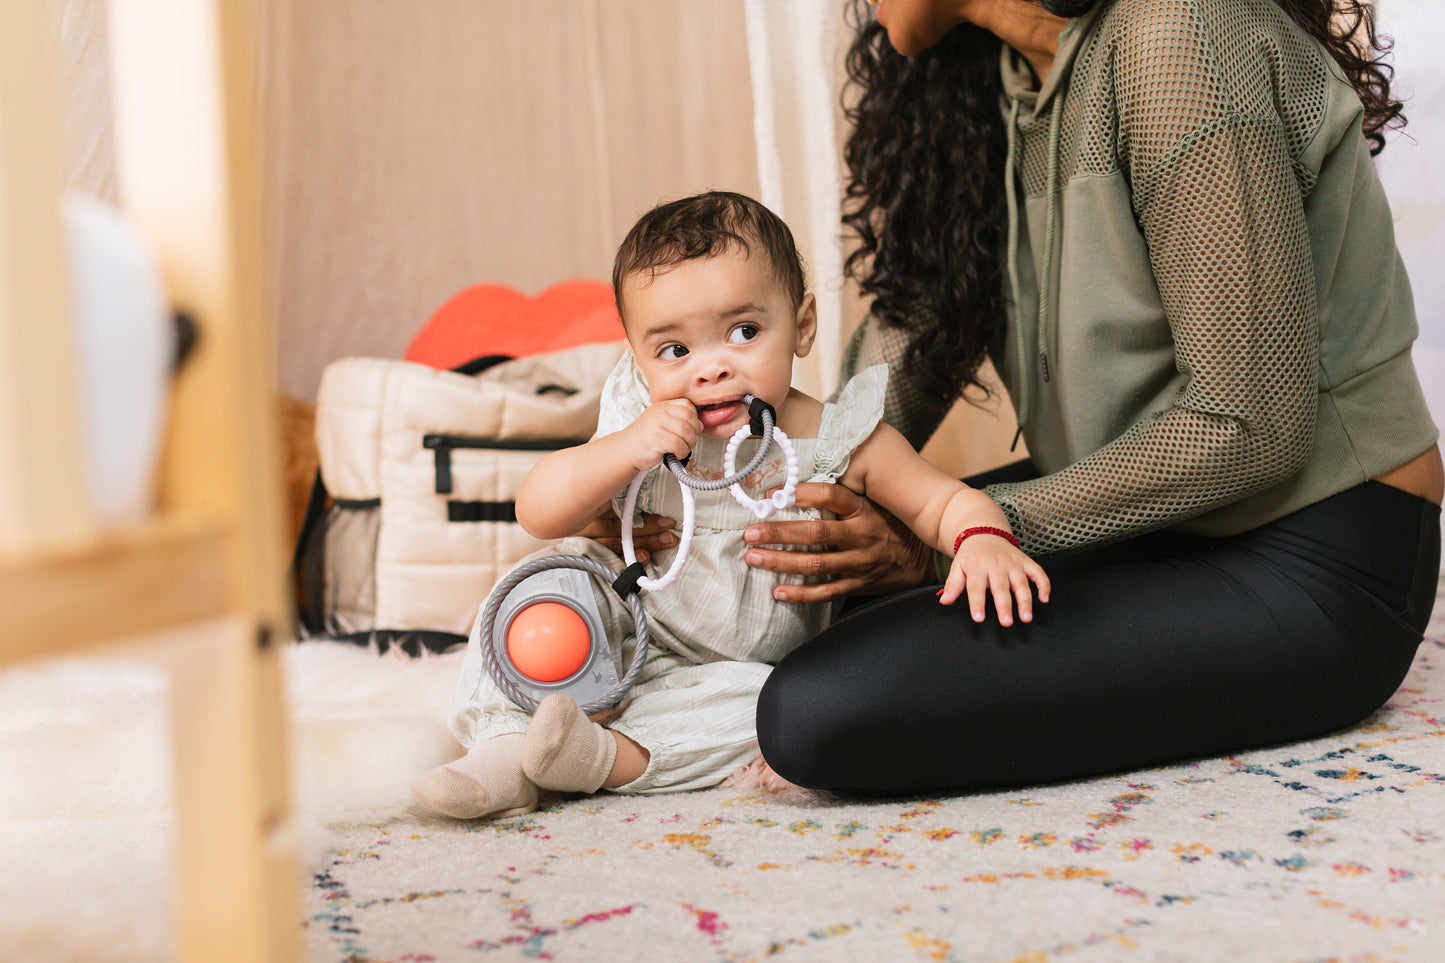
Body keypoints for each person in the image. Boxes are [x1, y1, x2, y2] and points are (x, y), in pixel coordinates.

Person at [718, 0, 1443, 795]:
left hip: (1315, 557)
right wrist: (710, 494)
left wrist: (958, 534)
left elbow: (1250, 424)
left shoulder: (1176, 33)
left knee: (815, 708)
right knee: (801, 602)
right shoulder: (975, 89)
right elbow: (868, 421)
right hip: (1140, 523)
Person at [410, 190, 1048, 820]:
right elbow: (536, 511)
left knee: (777, 707)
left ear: (800, 327)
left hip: (738, 665)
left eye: (743, 332)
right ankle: (498, 750)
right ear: (636, 357)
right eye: (674, 351)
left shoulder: (835, 438)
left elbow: (945, 504)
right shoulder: (639, 424)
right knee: (540, 582)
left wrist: (982, 540)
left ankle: (600, 759)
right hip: (629, 616)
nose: (709, 368)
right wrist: (624, 450)